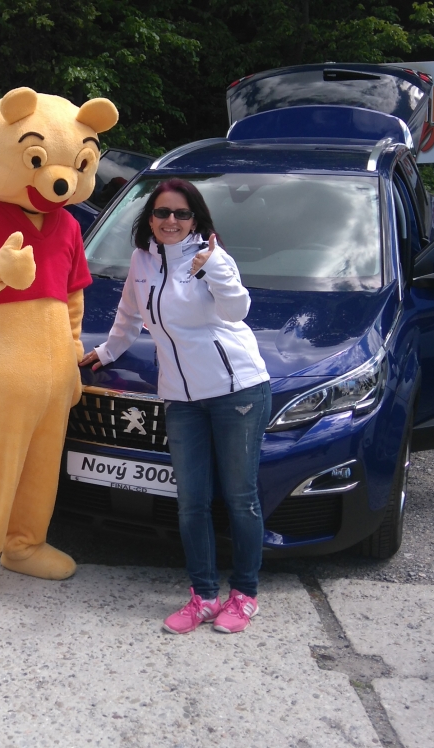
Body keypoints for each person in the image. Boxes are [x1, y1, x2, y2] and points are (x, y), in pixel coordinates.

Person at [79, 178, 272, 635]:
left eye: (181, 214)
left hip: (236, 391)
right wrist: (106, 352)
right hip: (181, 399)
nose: (171, 221)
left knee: (240, 499)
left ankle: (244, 595)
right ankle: (203, 596)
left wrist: (215, 267)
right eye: (162, 212)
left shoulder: (211, 256)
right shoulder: (141, 260)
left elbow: (238, 310)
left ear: (195, 219)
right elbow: (129, 316)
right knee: (191, 502)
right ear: (150, 218)